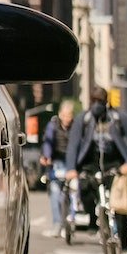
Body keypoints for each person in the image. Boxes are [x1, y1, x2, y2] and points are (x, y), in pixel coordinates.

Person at [66, 84, 127, 254]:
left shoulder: (119, 117)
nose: (96, 105)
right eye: (94, 101)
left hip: (115, 164)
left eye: (100, 101)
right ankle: (93, 219)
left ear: (106, 102)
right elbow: (73, 145)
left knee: (119, 204)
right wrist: (71, 168)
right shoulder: (83, 119)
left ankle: (125, 241)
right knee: (84, 189)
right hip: (89, 164)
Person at [40, 99, 76, 237]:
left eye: (70, 115)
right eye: (65, 115)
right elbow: (48, 142)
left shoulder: (76, 126)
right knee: (55, 192)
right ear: (60, 114)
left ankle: (70, 223)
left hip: (72, 163)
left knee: (73, 192)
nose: (67, 118)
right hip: (56, 162)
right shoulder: (53, 125)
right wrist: (46, 157)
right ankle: (57, 224)